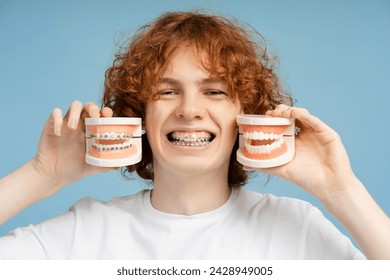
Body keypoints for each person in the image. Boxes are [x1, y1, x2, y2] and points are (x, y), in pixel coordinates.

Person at [0, 11, 389, 259]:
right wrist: (42, 175)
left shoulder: (296, 226)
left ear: (247, 116)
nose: (189, 110)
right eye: (167, 91)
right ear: (139, 115)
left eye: (214, 92)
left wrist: (342, 191)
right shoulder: (82, 233)